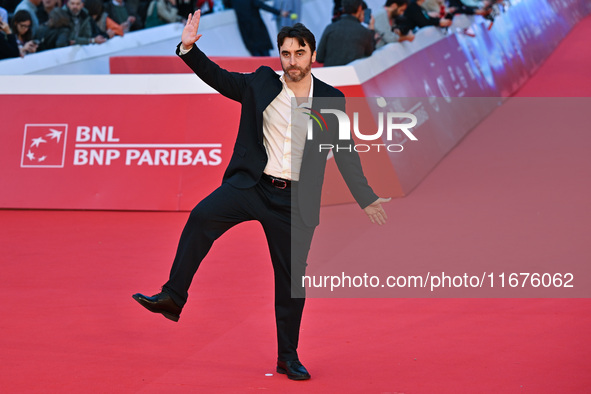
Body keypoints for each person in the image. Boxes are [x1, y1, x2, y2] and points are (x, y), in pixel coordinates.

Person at [132, 10, 390, 381]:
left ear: (312, 55)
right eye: (286, 53)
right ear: (280, 56)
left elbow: (347, 152)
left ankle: (288, 356)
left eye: (299, 53)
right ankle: (173, 296)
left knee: (290, 282)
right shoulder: (262, 84)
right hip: (252, 185)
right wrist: (188, 49)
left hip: (294, 201)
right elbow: (219, 79)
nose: (292, 61)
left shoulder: (331, 99)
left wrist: (366, 198)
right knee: (202, 216)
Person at [316, 0, 375, 67]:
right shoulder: (364, 32)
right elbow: (370, 52)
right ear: (360, 8)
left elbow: (319, 58)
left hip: (330, 75)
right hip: (354, 75)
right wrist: (371, 29)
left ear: (343, 9)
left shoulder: (330, 28)